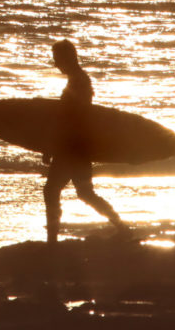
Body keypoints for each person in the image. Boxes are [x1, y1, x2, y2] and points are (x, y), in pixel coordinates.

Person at [43, 38, 128, 243]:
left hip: (72, 149)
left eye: (57, 59)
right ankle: (121, 226)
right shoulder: (79, 80)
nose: (56, 64)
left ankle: (52, 240)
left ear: (67, 58)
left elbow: (72, 119)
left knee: (53, 190)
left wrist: (52, 147)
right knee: (85, 193)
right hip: (78, 148)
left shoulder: (79, 82)